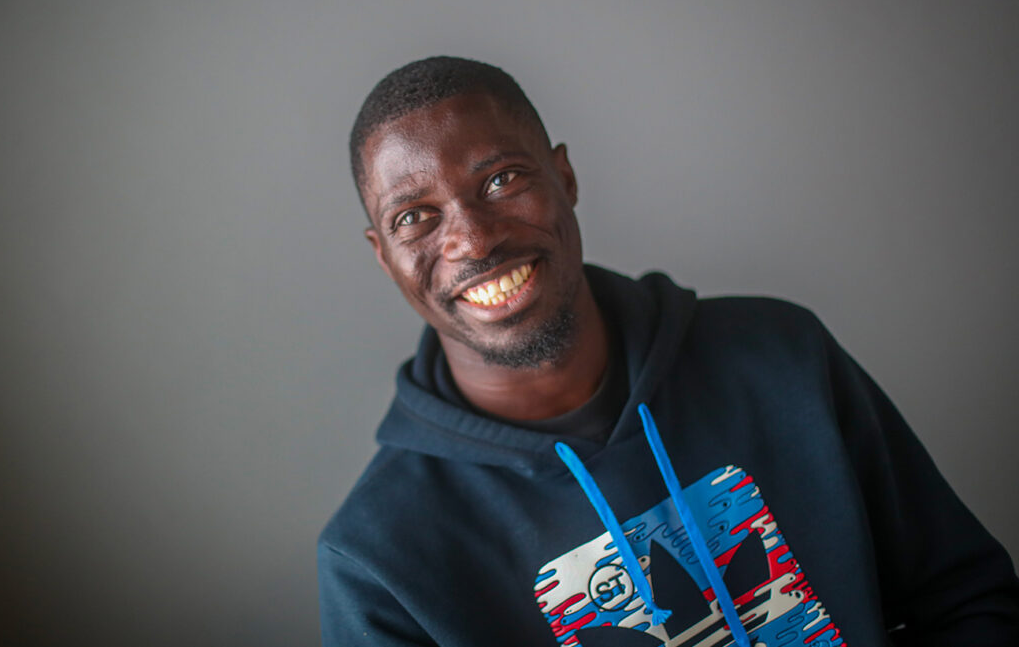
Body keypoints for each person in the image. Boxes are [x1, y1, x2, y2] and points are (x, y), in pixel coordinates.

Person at [317, 56, 1019, 646]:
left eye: (501, 179)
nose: (471, 238)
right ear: (384, 256)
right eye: (415, 217)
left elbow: (969, 599)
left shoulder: (781, 356)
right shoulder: (379, 556)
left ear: (564, 178)